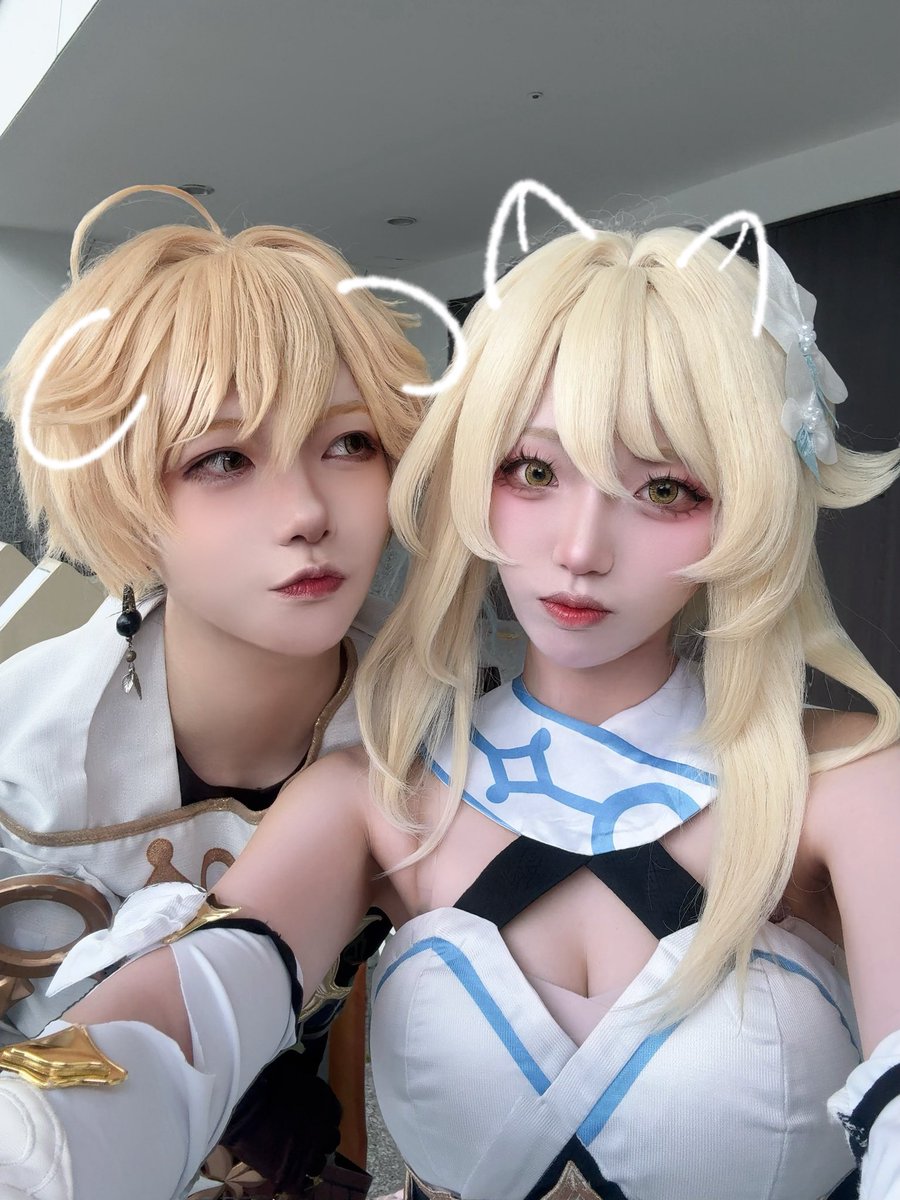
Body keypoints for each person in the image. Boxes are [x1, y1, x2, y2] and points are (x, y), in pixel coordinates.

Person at [2, 222, 899, 1200]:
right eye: (535, 471)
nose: (581, 548)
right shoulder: (373, 794)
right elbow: (194, 1006)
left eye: (666, 488)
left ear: (751, 502)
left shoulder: (848, 788)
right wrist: (48, 1133)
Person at [0, 184, 426, 1197]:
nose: (307, 511)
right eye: (224, 458)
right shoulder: (20, 751)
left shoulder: (443, 730)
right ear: (124, 496)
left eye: (350, 443)